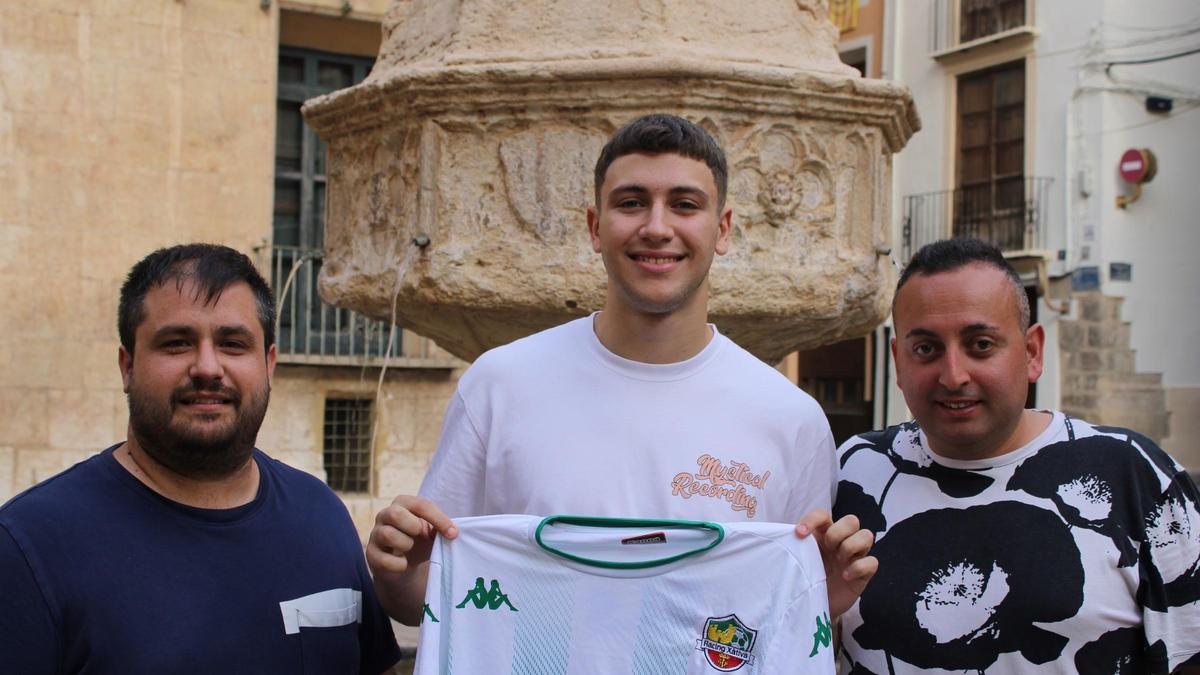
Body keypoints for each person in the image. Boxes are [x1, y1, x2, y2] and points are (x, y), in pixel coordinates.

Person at [366, 114, 876, 628]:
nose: (657, 228)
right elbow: (432, 591)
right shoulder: (498, 385)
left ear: (722, 229)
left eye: (684, 204)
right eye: (631, 203)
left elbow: (789, 616)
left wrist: (826, 597)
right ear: (595, 227)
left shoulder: (791, 418)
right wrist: (398, 577)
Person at [0, 244, 400, 674]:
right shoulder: (28, 548)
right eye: (176, 343)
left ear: (269, 366)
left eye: (232, 343)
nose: (207, 367)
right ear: (127, 366)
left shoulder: (322, 516)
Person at [834, 238, 1200, 674]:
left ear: (1032, 352)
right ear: (899, 361)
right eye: (927, 349)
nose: (953, 376)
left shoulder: (1135, 475)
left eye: (981, 344)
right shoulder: (854, 471)